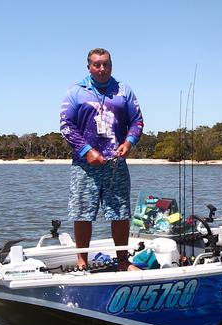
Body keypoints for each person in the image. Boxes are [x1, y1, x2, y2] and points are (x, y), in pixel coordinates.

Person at [59, 48, 144, 271]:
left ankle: (123, 261)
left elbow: (137, 121)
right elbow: (66, 126)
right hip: (85, 165)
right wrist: (87, 150)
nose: (102, 68)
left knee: (120, 212)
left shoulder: (124, 91)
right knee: (83, 212)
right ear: (89, 66)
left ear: (111, 65)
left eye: (106, 64)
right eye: (97, 64)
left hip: (116, 162)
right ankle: (82, 262)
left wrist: (129, 142)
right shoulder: (76, 92)